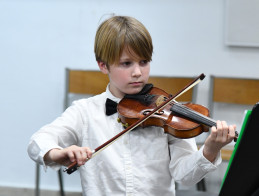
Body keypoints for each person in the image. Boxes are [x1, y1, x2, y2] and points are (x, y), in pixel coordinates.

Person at [27, 15, 236, 196]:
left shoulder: (169, 112)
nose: (138, 72)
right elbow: (38, 141)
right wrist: (57, 153)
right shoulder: (85, 112)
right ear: (103, 65)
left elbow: (185, 176)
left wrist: (210, 149)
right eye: (127, 63)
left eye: (144, 62)